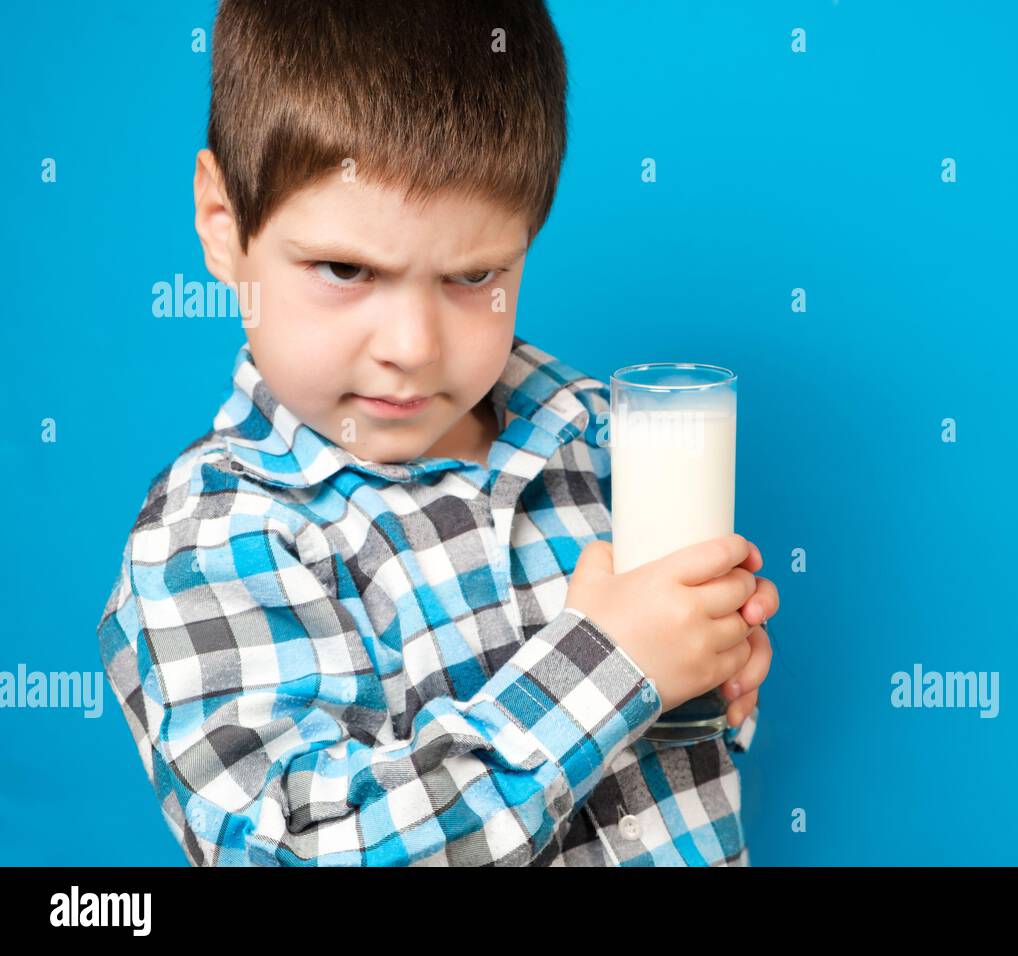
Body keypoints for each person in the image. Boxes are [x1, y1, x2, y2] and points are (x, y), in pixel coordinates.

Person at [96, 0, 777, 866]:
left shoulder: (600, 437)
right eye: (345, 270)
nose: (412, 349)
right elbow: (301, 851)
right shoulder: (210, 539)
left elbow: (673, 745)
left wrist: (709, 661)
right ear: (224, 227)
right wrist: (608, 666)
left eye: (473, 275)